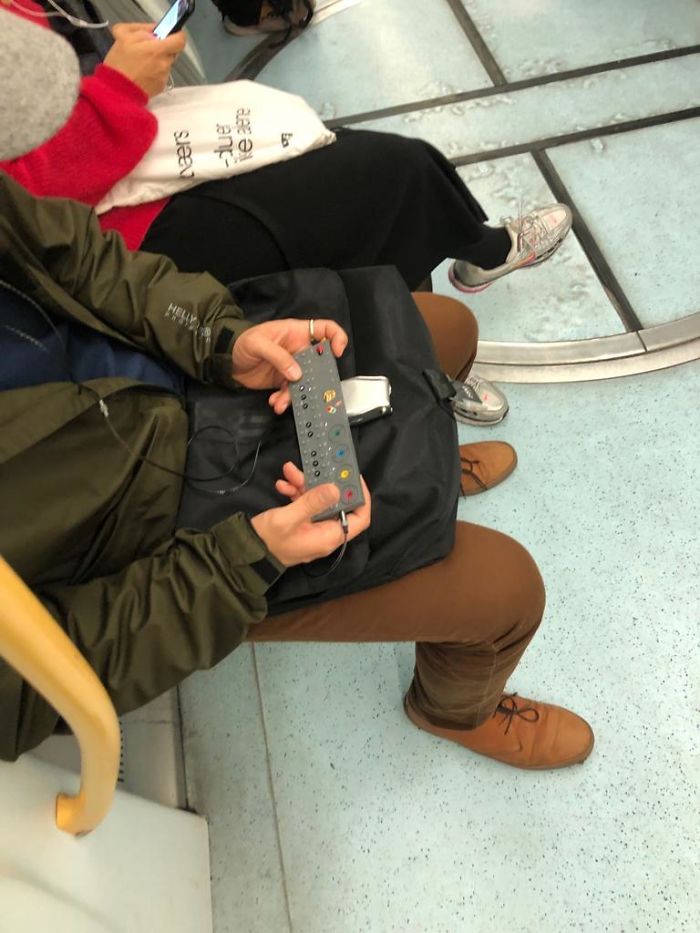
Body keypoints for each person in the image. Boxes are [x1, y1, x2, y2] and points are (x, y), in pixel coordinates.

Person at [0, 13, 593, 771]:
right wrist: (242, 562)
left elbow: (74, 254)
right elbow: (37, 682)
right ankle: (455, 708)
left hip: (159, 373)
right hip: (155, 539)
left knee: (439, 328)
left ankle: (419, 452)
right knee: (506, 591)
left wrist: (218, 335)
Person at [0, 0, 572, 427]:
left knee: (379, 175)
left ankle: (424, 355)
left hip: (118, 191)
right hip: (99, 236)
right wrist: (118, 93)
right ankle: (425, 363)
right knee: (387, 182)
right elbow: (29, 209)